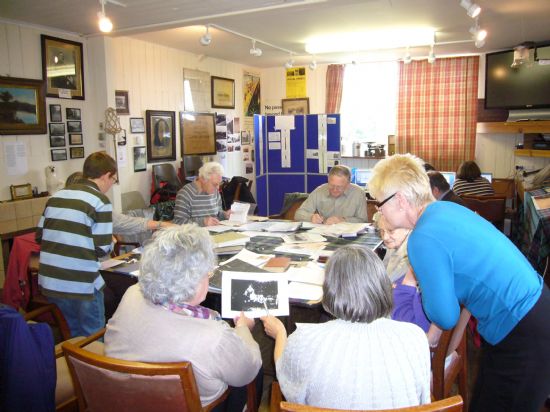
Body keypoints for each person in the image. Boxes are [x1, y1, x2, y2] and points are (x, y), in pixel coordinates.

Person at [368, 153, 550, 412]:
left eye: (379, 203)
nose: (378, 210)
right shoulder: (446, 208)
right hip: (534, 310)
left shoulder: (422, 238)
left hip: (523, 331)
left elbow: (444, 316)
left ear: (399, 200)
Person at [104, 225, 262, 409]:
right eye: (207, 273)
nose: (208, 278)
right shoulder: (213, 337)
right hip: (189, 405)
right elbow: (248, 370)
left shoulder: (132, 293)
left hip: (125, 398)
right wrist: (243, 328)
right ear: (193, 284)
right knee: (253, 369)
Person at [261, 245, 431, 410]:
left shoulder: (305, 339)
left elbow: (287, 383)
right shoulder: (415, 336)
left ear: (329, 289)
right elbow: (423, 398)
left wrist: (281, 334)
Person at [36, 151, 117, 337]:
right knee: (93, 337)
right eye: (113, 179)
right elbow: (101, 249)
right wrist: (110, 242)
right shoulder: (100, 201)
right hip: (81, 282)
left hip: (52, 281)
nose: (112, 184)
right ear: (106, 176)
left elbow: (40, 237)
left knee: (71, 336)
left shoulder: (55, 197)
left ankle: (72, 365)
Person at [66, 172, 175, 234]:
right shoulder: (96, 205)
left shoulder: (57, 206)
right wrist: (161, 224)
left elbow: (123, 222)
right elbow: (124, 223)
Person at [294, 165, 368, 224]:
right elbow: (298, 214)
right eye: (332, 185)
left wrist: (343, 220)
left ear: (348, 184)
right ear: (328, 180)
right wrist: (311, 217)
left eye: (339, 187)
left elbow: (363, 221)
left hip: (349, 236)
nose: (335, 190)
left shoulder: (358, 193)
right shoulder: (319, 191)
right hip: (324, 235)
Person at [173, 162, 230, 226]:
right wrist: (203, 222)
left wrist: (225, 215)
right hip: (195, 234)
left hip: (215, 232)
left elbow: (218, 214)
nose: (218, 188)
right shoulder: (185, 193)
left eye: (219, 183)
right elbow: (178, 222)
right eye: (215, 184)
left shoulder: (215, 192)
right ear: (203, 179)